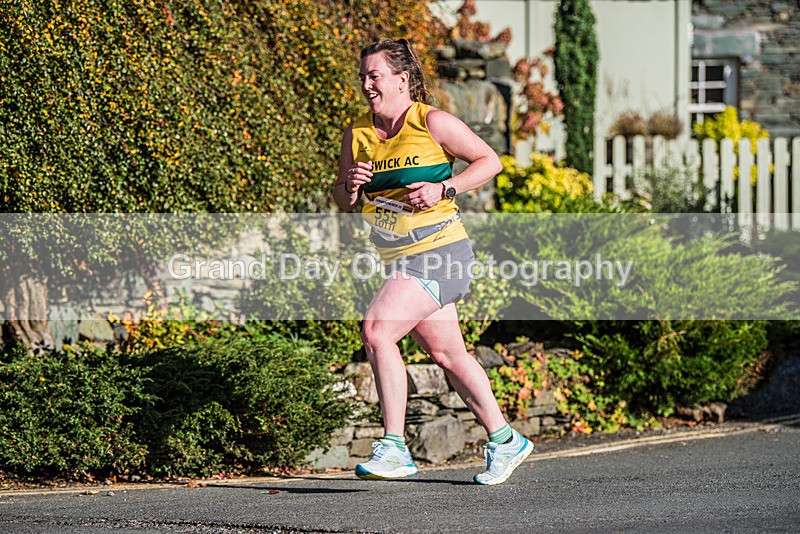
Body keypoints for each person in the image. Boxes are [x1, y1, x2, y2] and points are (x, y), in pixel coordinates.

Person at [333, 38, 532, 486]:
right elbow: (343, 200)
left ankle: (395, 447)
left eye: (375, 76)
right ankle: (505, 439)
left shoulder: (432, 122)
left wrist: (445, 189)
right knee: (449, 354)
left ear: (402, 80)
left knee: (377, 330)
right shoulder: (358, 133)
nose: (366, 84)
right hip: (399, 255)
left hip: (441, 251)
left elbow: (490, 161)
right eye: (363, 76)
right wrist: (350, 182)